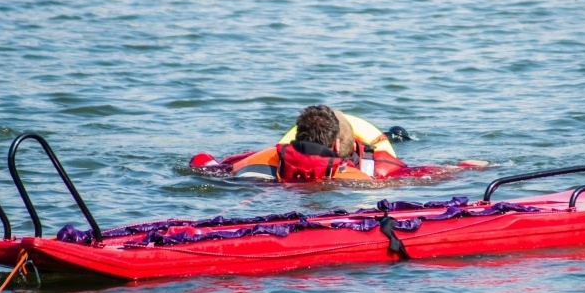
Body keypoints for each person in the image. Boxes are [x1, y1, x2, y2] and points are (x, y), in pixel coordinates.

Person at [189, 105, 489, 182]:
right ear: (337, 141)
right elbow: (421, 175)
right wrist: (462, 168)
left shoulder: (259, 159)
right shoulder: (376, 171)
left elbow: (203, 163)